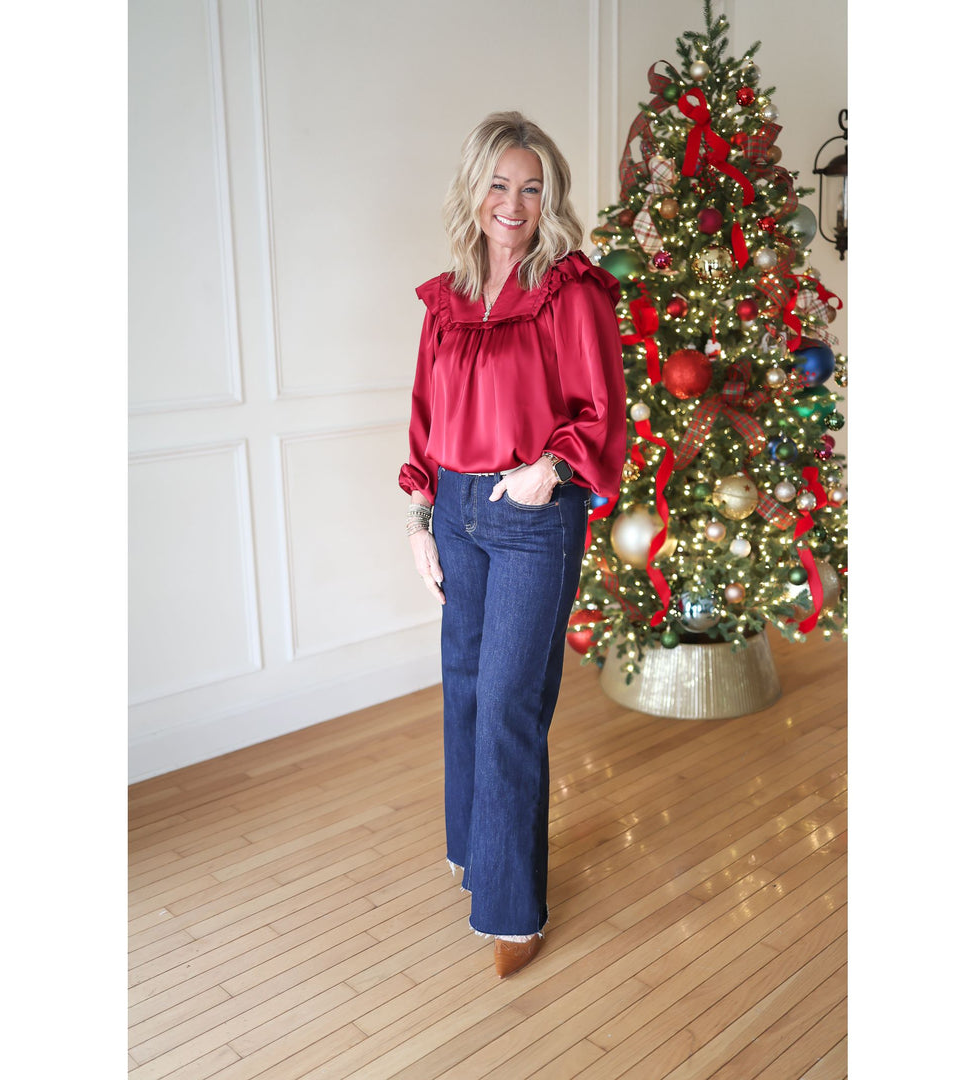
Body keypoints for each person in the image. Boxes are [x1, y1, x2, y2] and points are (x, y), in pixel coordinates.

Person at [399, 111, 626, 978]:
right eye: (499, 183)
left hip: (532, 513)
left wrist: (552, 468)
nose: (514, 202)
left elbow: (601, 406)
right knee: (462, 687)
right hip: (455, 506)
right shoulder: (446, 300)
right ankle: (474, 852)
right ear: (475, 189)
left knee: (508, 704)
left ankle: (512, 908)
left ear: (549, 198)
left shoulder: (570, 290)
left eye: (531, 188)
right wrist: (420, 515)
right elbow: (424, 415)